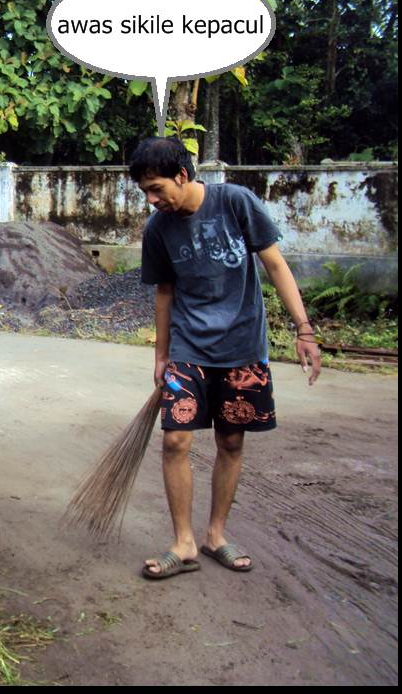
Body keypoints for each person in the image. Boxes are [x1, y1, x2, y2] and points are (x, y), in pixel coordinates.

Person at [132, 137, 321, 580]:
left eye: (157, 188)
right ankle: (184, 542)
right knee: (175, 440)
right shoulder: (157, 230)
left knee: (231, 442)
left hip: (242, 347)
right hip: (188, 347)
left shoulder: (235, 202)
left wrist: (304, 328)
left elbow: (275, 265)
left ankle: (216, 534)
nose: (152, 200)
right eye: (145, 192)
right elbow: (164, 293)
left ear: (183, 174)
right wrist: (162, 356)